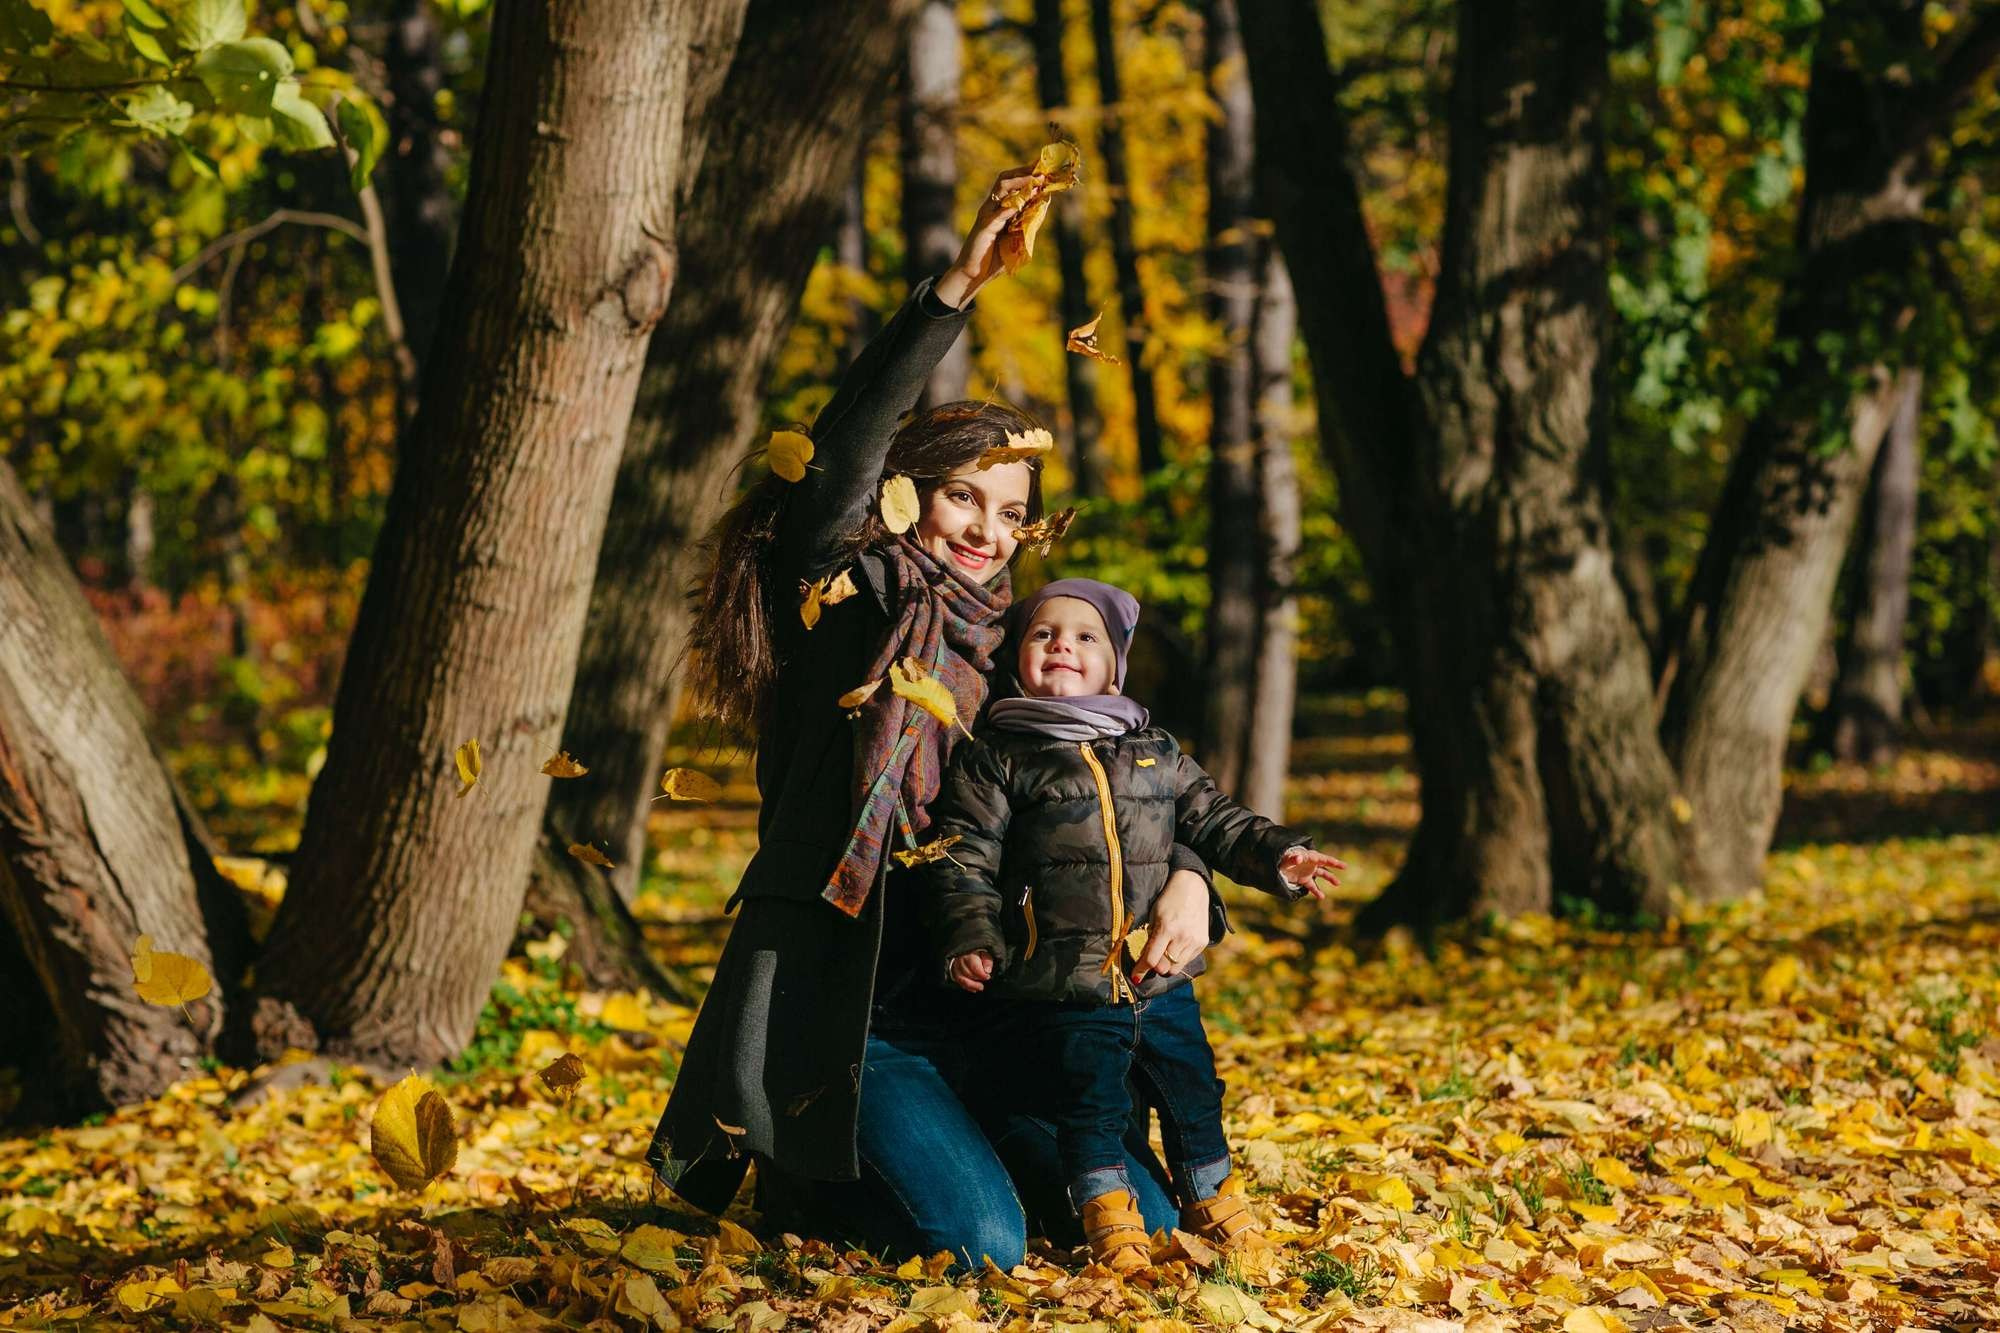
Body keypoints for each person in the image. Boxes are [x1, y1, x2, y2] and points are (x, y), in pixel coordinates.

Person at [645, 168, 1229, 1271]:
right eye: (964, 494)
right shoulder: (846, 601)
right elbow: (839, 461)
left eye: (1011, 513)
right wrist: (954, 289)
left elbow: (1129, 790)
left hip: (996, 1008)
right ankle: (804, 1168)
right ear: (907, 489)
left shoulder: (1019, 658)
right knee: (981, 1241)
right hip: (855, 1017)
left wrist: (1195, 880)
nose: (986, 530)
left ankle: (946, 1151)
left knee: (1145, 1226)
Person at [921, 579, 1345, 1274]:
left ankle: (1216, 1202)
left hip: (1161, 977)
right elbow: (965, 858)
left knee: (1194, 1093)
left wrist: (1279, 856)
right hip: (1067, 983)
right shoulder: (998, 755)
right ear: (1018, 657)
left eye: (1085, 637)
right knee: (1089, 1107)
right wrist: (970, 935)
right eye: (1044, 634)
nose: (1063, 645)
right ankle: (1109, 1221)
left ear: (1114, 666)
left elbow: (1217, 821)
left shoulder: (1154, 750)